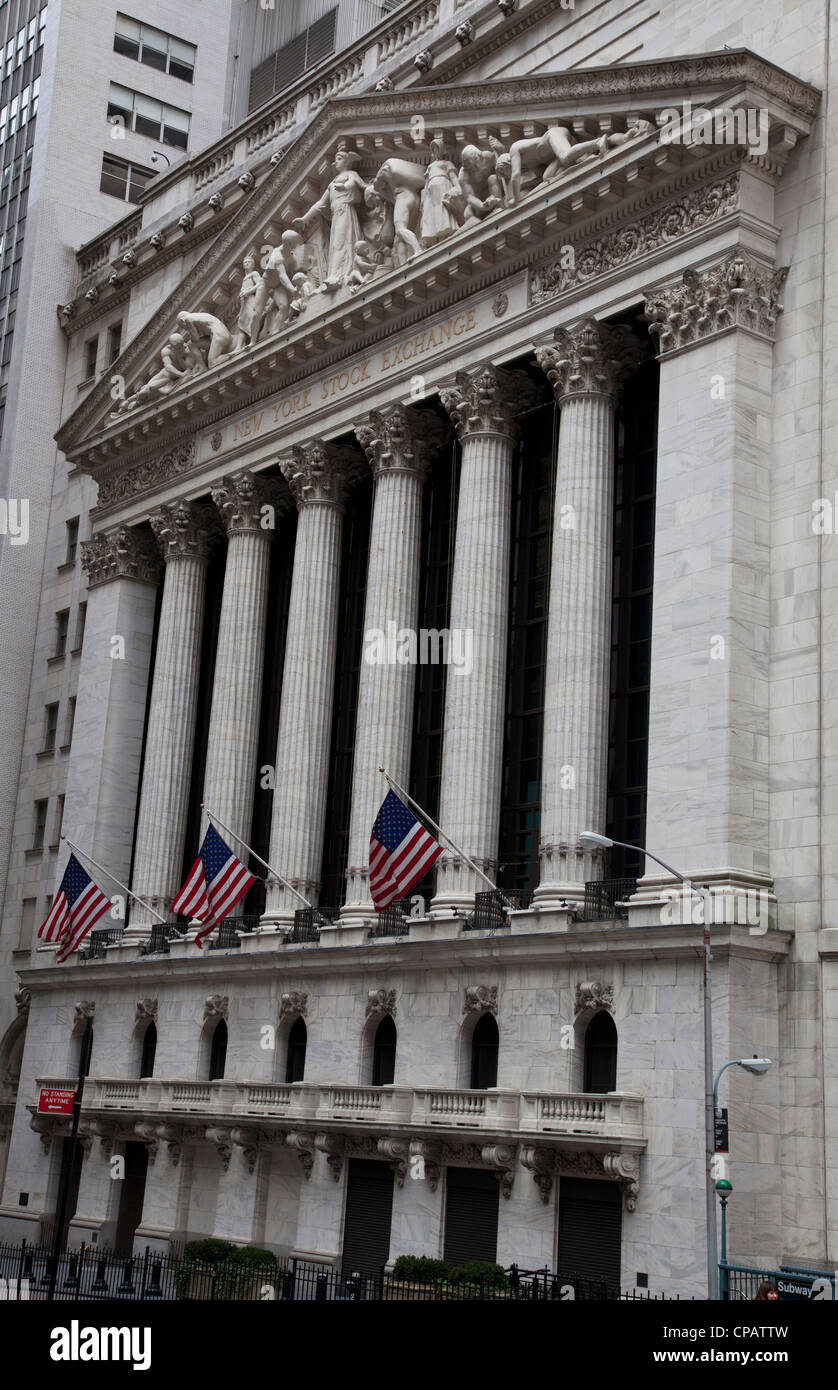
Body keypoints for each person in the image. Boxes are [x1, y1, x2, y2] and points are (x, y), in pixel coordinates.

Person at [292, 142, 367, 290]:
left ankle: (337, 275)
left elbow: (361, 186)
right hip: (336, 215)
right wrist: (304, 219)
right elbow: (320, 204)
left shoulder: (350, 174)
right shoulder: (332, 183)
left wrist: (345, 186)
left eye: (339, 159)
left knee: (340, 242)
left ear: (347, 160)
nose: (335, 162)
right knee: (335, 245)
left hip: (345, 211)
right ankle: (338, 273)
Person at [421, 139, 463, 246]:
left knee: (442, 207)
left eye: (437, 148)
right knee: (430, 210)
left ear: (442, 150)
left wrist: (457, 186)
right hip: (431, 190)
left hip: (442, 185)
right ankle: (434, 233)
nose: (435, 151)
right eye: (433, 149)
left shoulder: (447, 163)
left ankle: (445, 230)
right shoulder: (430, 166)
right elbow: (426, 183)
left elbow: (453, 176)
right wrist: (423, 198)